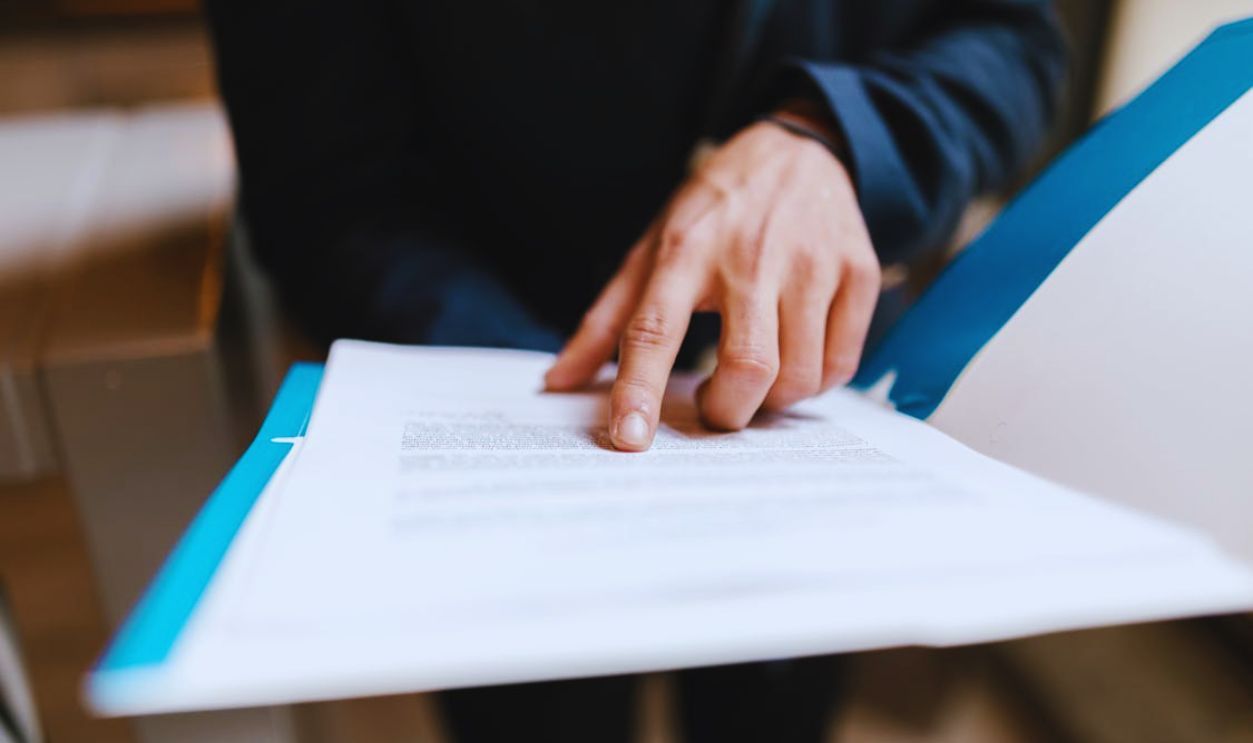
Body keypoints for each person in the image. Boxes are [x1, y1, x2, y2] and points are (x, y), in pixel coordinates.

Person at [205, 1, 1065, 740]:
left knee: (778, 709)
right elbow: (326, 185)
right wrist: (522, 400)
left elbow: (1012, 38)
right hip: (499, 401)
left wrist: (839, 136)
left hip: (804, 407)